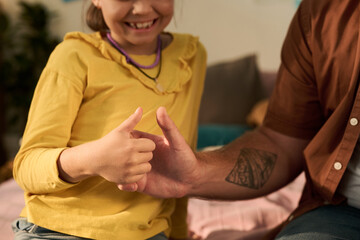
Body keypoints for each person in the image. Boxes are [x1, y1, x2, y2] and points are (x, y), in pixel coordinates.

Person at [123, 0, 360, 239]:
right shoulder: (322, 13)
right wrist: (195, 173)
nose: (141, 8)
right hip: (341, 212)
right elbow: (281, 143)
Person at [12, 0, 207, 239]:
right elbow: (27, 166)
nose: (143, 9)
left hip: (147, 233)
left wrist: (179, 235)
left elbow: (183, 164)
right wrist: (92, 160)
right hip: (57, 230)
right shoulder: (73, 56)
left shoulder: (190, 56)